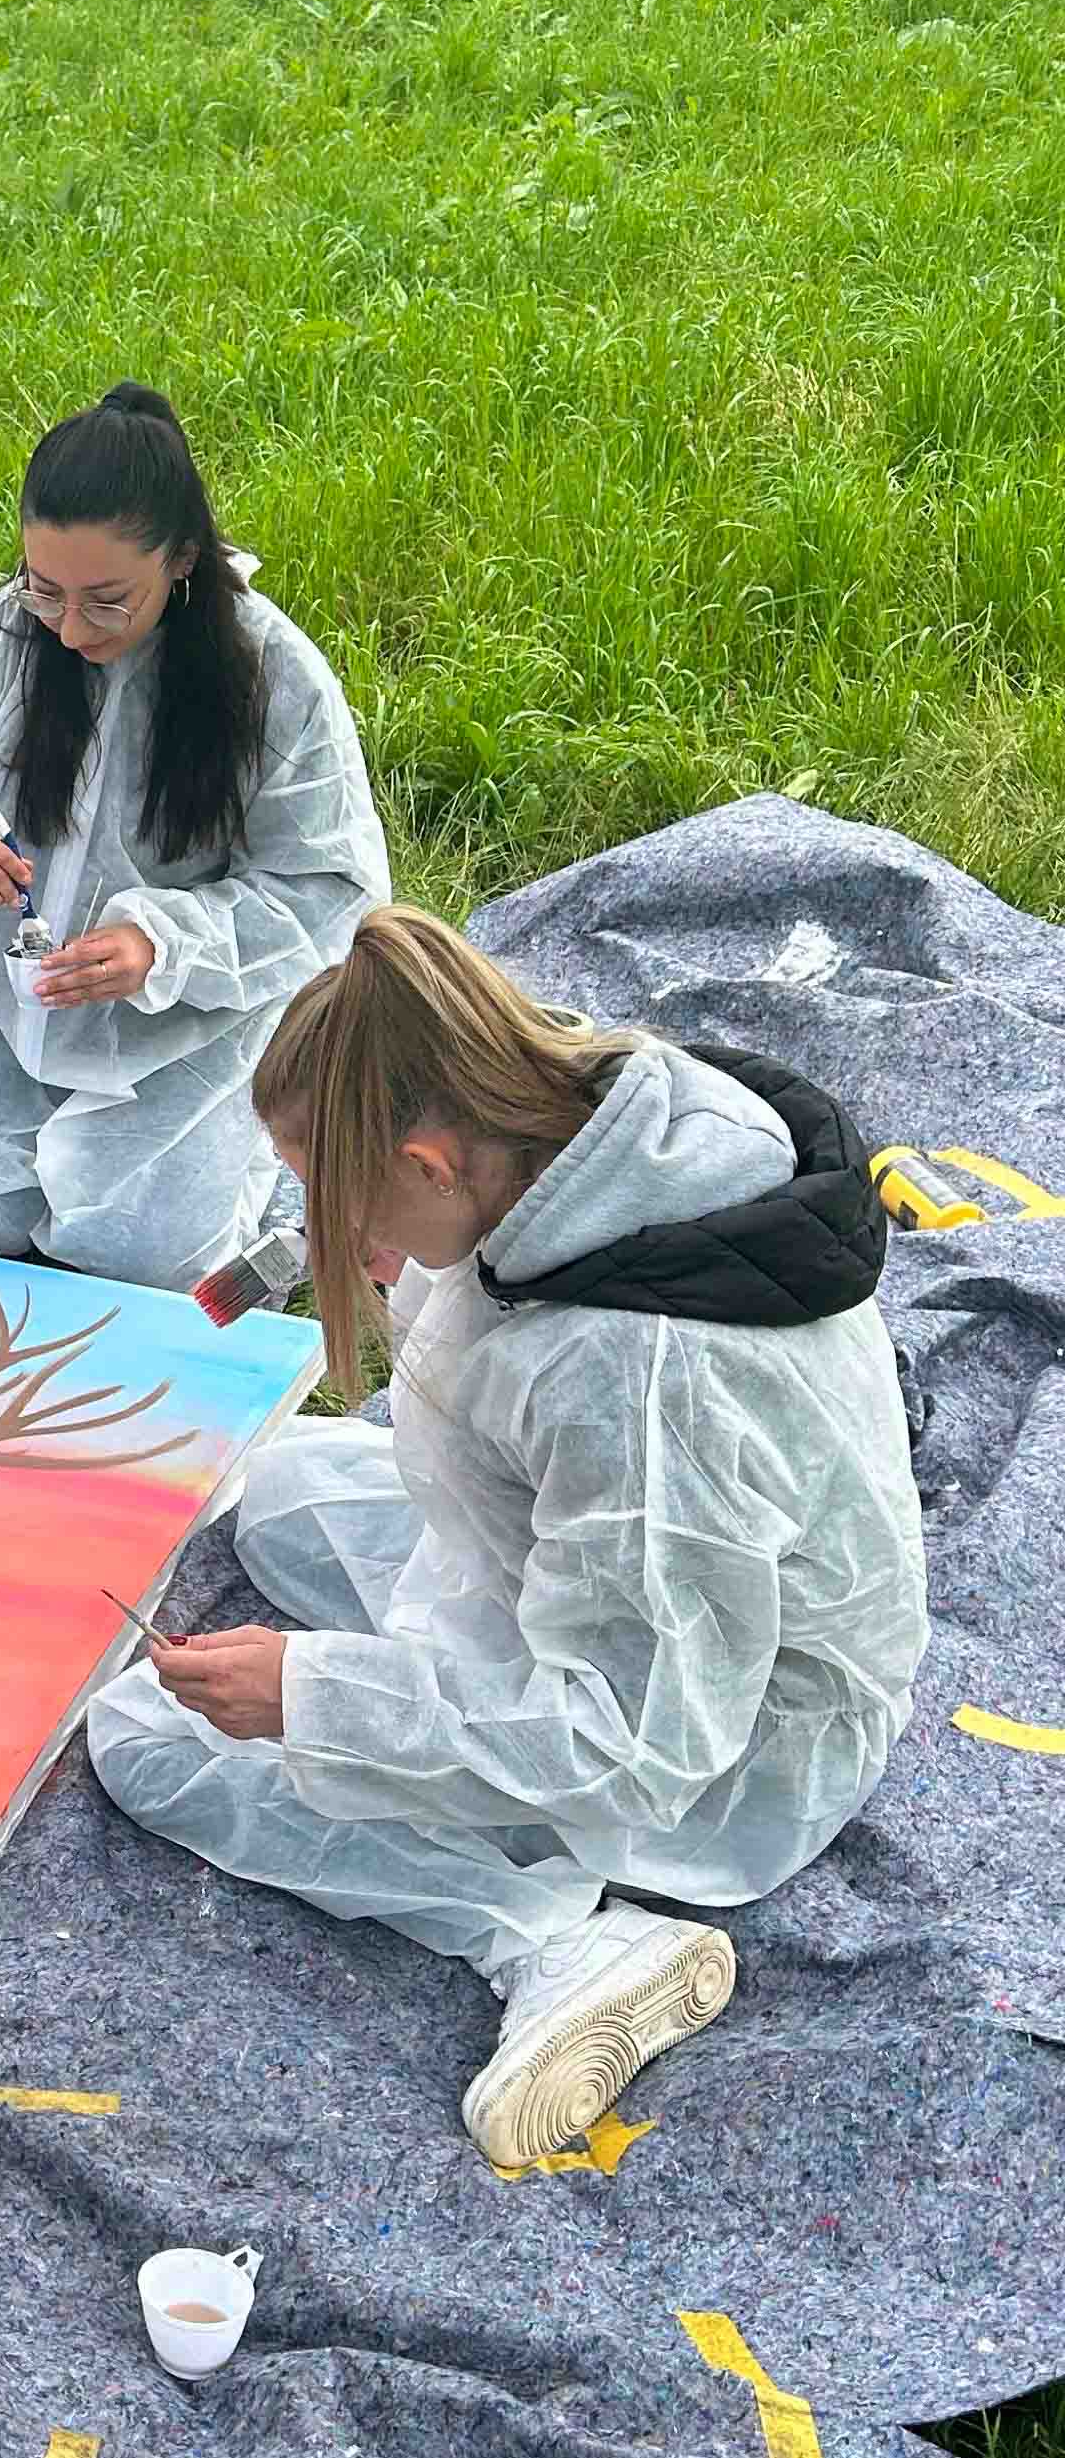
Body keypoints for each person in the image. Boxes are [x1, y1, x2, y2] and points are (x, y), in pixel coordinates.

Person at [84, 907, 929, 2168]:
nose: (327, 1230)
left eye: (335, 1195)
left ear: (429, 1165)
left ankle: (557, 1940)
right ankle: (482, 1817)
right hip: (580, 1561)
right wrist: (330, 1249)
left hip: (723, 1749)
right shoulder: (567, 1118)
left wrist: (317, 1698)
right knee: (276, 1484)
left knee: (147, 1735)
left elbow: (633, 1744)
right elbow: (483, 1304)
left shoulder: (638, 1384)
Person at [0, 381, 387, 1286]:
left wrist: (160, 945)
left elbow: (325, 893)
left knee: (143, 1264)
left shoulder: (275, 677)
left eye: (108, 601)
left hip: (180, 1033)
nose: (70, 630)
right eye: (45, 590)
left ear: (183, 560)